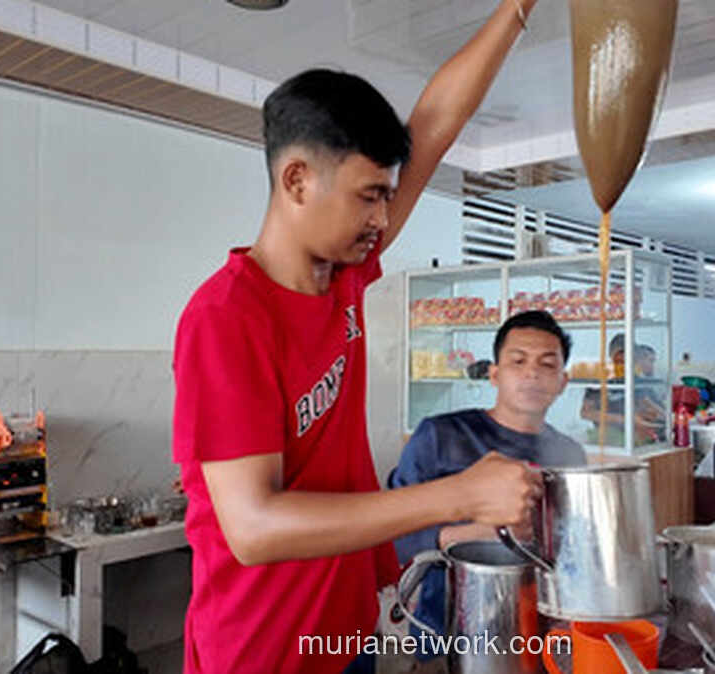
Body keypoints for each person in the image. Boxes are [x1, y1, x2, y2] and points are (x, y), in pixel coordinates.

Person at [171, 4, 541, 672]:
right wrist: (457, 494)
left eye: (387, 196)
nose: (383, 217)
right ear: (297, 180)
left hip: (345, 630)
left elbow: (435, 121)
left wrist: (517, 8)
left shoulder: (341, 277)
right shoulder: (226, 318)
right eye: (369, 196)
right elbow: (253, 527)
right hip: (263, 652)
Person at [387, 311, 586, 662]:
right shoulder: (441, 436)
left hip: (540, 631)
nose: (532, 373)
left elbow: (575, 545)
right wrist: (477, 534)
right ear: (494, 374)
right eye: (518, 361)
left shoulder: (570, 454)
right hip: (447, 629)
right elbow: (392, 538)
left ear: (563, 381)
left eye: (547, 364)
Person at [580, 336, 664, 447]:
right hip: (606, 436)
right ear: (611, 356)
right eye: (619, 360)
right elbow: (586, 413)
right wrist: (625, 419)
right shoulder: (599, 381)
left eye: (626, 360)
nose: (622, 364)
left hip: (634, 433)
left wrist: (664, 416)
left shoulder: (635, 379)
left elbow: (646, 402)